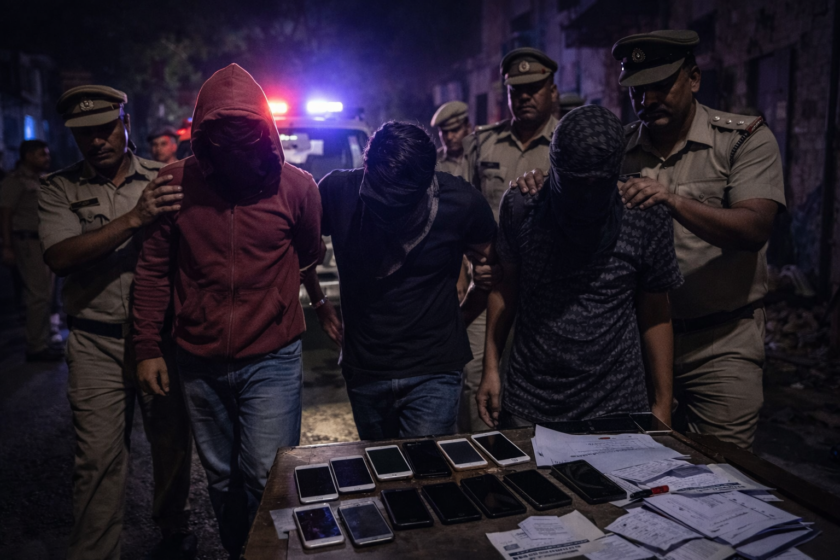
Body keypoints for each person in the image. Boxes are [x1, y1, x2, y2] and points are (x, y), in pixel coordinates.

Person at [515, 31, 786, 449]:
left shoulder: (740, 141)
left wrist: (673, 201)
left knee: (719, 463)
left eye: (661, 86)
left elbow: (754, 229)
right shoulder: (617, 148)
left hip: (717, 341)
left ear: (693, 78)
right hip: (634, 345)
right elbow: (569, 184)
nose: (648, 99)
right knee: (636, 465)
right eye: (638, 90)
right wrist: (538, 182)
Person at [132, 64, 324, 559]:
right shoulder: (175, 183)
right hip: (198, 358)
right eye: (224, 137)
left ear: (265, 133)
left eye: (246, 136)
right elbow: (153, 270)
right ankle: (242, 551)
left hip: (272, 356)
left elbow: (308, 252)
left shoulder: (297, 187)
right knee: (221, 477)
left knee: (267, 474)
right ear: (202, 133)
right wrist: (148, 347)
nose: (236, 149)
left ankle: (270, 555)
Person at [38, 85, 195, 560]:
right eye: (84, 133)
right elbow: (59, 256)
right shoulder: (59, 188)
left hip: (161, 341)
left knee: (172, 445)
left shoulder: (163, 178)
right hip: (95, 342)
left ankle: (174, 528)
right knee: (97, 461)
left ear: (125, 124)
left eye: (105, 129)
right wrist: (134, 218)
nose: (96, 141)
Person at [477, 105, 683, 428]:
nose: (586, 195)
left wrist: (662, 404)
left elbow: (655, 310)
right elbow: (505, 288)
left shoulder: (643, 214)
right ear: (555, 165)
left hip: (617, 404)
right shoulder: (523, 206)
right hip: (530, 400)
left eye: (596, 184)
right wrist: (490, 369)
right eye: (575, 183)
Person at [307, 121, 497, 440]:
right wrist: (319, 303)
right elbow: (302, 248)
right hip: (365, 369)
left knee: (426, 468)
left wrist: (460, 319)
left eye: (397, 206)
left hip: (434, 370)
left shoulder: (461, 201)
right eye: (378, 200)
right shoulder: (337, 191)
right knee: (383, 465)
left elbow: (493, 270)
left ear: (426, 182)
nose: (386, 214)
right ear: (367, 166)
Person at [457, 47, 559, 433]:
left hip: (543, 295)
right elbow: (461, 213)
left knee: (537, 394)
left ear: (552, 90)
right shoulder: (482, 143)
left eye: (534, 88)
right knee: (477, 390)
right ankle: (485, 468)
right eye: (517, 90)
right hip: (487, 288)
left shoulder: (566, 143)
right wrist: (469, 269)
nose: (525, 96)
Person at [1, 139, 62, 361]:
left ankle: (42, 340)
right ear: (28, 156)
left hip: (43, 242)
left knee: (45, 295)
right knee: (38, 295)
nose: (47, 158)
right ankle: (36, 347)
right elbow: (5, 213)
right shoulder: (15, 181)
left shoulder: (41, 179)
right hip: (27, 242)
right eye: (41, 154)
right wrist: (7, 245)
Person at [431, 100, 472, 182]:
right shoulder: (433, 163)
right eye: (444, 132)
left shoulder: (480, 157)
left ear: (468, 128)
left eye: (455, 130)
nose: (449, 137)